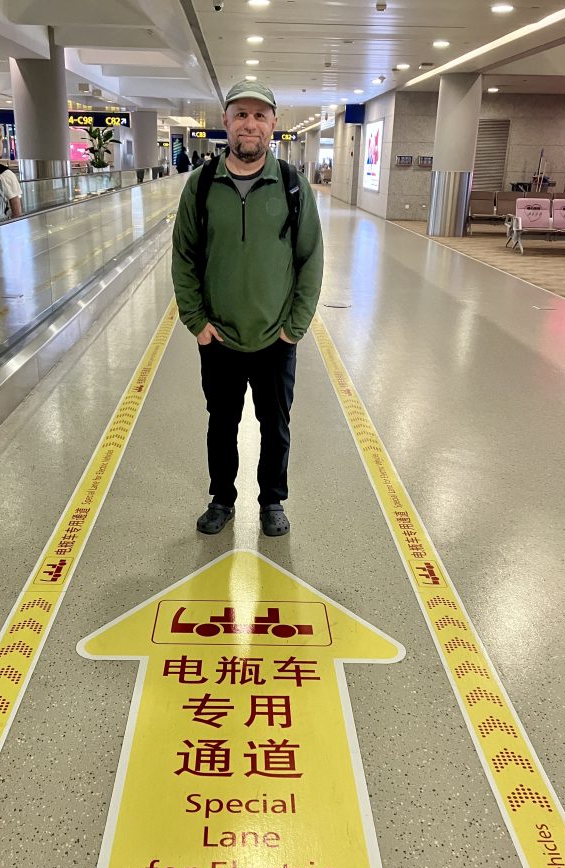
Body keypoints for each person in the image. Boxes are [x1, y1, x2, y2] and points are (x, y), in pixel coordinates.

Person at [171, 78, 323, 537]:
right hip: (219, 337)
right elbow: (184, 257)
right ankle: (222, 498)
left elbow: (310, 258)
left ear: (274, 125)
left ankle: (272, 501)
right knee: (222, 423)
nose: (250, 124)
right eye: (241, 115)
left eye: (260, 116)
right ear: (226, 123)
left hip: (276, 337)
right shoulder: (200, 186)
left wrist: (293, 328)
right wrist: (196, 322)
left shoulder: (293, 185)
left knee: (275, 426)